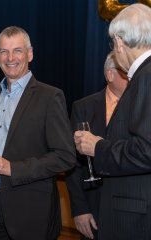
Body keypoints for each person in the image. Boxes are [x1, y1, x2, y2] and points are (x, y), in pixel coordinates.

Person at [0, 26, 76, 240]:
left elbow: (65, 157)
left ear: (30, 54)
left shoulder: (50, 97)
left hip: (31, 212)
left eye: (18, 51)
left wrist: (12, 168)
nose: (10, 58)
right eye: (4, 51)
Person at [74, 3, 151, 240]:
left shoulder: (146, 77)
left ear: (118, 42)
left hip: (133, 216)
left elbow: (146, 150)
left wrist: (97, 146)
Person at [65, 51, 128, 240]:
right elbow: (73, 163)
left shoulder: (142, 106)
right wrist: (80, 209)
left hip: (131, 206)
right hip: (94, 208)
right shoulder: (84, 107)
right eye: (125, 72)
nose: (132, 76)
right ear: (110, 74)